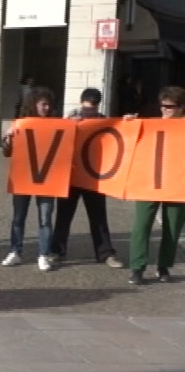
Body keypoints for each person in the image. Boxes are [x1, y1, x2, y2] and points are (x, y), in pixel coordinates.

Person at [50, 88, 123, 269]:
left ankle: (105, 253)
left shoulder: (105, 121)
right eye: (86, 109)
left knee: (98, 217)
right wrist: (70, 125)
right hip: (71, 176)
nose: (88, 114)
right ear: (80, 103)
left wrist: (127, 121)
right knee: (63, 217)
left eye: (92, 110)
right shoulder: (70, 120)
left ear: (98, 107)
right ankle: (56, 251)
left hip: (94, 177)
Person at [124, 86, 185, 285]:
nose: (165, 110)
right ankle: (137, 267)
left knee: (173, 227)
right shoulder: (150, 124)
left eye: (170, 106)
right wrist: (129, 124)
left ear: (181, 108)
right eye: (162, 106)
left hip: (177, 183)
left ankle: (164, 266)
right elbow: (129, 138)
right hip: (149, 181)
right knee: (142, 225)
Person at [0, 86, 59, 272]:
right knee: (18, 217)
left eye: (49, 105)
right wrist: (8, 139)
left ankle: (43, 254)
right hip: (23, 176)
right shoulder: (20, 124)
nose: (47, 108)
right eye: (43, 104)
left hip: (47, 178)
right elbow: (7, 152)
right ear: (34, 105)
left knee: (45, 218)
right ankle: (15, 251)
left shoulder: (56, 125)